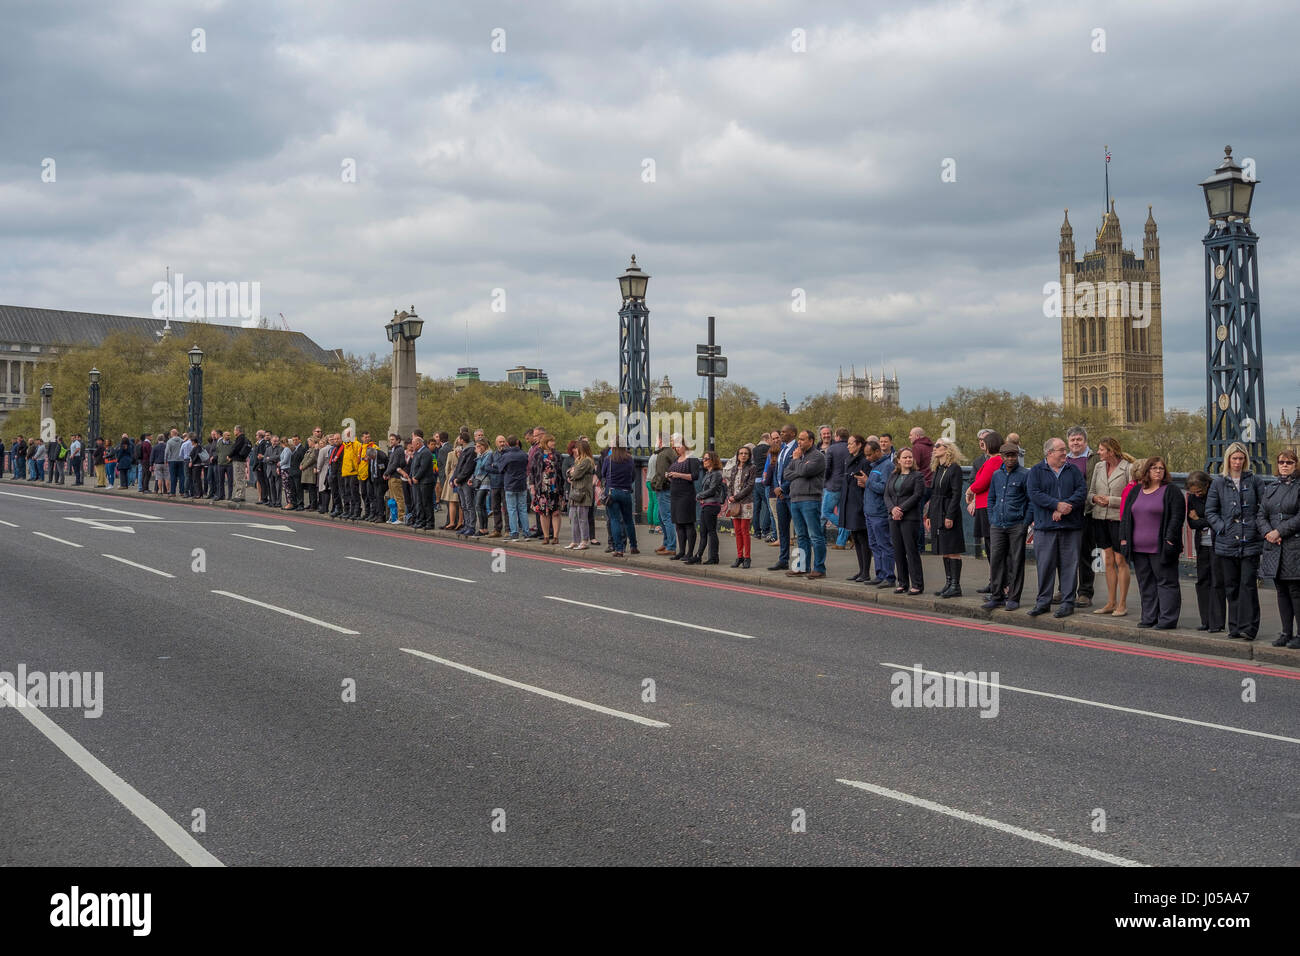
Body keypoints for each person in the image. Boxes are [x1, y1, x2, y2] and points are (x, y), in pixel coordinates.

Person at [1206, 442, 1266, 641]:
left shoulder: (1255, 481)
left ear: (1245, 460)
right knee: (1230, 585)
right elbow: (1210, 512)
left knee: (1248, 584)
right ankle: (1234, 626)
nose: (1238, 462)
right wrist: (1223, 527)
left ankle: (1249, 628)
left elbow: (1263, 509)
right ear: (1228, 460)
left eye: (1241, 459)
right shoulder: (1218, 482)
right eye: (1234, 458)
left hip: (1250, 541)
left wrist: (1256, 528)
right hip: (1227, 541)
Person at [1118, 455, 1185, 629]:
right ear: (1146, 471)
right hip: (1138, 547)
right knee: (1145, 583)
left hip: (1162, 548)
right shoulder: (1136, 491)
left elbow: (1176, 518)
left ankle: (1167, 619)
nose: (1158, 471)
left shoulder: (1171, 491)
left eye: (1161, 468)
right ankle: (1149, 617)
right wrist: (1124, 539)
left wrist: (1170, 540)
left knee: (1166, 583)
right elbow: (1126, 517)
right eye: (1154, 468)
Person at [1026, 437, 1087, 618]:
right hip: (1045, 527)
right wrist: (1055, 505)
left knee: (1069, 566)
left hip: (1071, 526)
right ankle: (1043, 602)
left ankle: (1068, 603)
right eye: (1061, 450)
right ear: (1049, 453)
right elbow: (1034, 494)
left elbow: (1081, 491)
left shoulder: (1073, 470)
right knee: (1045, 566)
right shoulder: (1036, 471)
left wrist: (1064, 505)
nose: (1064, 453)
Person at [1257, 448, 1300, 648]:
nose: (1285, 465)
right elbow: (1261, 515)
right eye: (1282, 462)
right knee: (1281, 591)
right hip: (1274, 547)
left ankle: (1299, 635)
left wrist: (1279, 531)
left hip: (1294, 545)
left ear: (1296, 465)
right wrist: (1268, 532)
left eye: (1289, 462)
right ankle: (1285, 632)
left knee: (1295, 591)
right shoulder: (1271, 488)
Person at [1087, 437, 1133, 617]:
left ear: (1110, 451)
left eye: (1101, 450)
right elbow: (1090, 492)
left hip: (1118, 519)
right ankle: (1110, 602)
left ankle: (1122, 604)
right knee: (1107, 561)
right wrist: (1094, 499)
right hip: (1099, 517)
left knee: (1121, 561)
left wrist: (1111, 501)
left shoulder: (1127, 468)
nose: (1098, 452)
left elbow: (1132, 497)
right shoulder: (1098, 467)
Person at [983, 441, 1030, 610]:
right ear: (1001, 457)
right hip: (997, 524)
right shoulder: (997, 475)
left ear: (1017, 456)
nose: (1010, 459)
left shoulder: (1025, 475)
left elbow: (1030, 501)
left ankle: (1013, 598)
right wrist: (992, 517)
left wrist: (1025, 522)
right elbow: (991, 498)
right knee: (996, 561)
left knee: (1016, 561)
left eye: (1013, 455)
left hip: (1016, 524)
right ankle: (997, 596)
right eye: (1007, 456)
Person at [964, 431, 1005, 594]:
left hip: (986, 506)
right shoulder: (993, 460)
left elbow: (982, 482)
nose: (982, 444)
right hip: (984, 505)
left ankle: (998, 584)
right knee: (989, 546)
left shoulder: (994, 461)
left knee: (992, 547)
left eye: (984, 442)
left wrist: (969, 490)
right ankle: (994, 582)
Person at [1185, 471, 1224, 633]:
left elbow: (1218, 520)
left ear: (1207, 484)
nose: (1197, 494)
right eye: (1194, 492)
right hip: (1202, 545)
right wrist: (1199, 521)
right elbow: (1190, 522)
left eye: (1199, 491)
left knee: (1217, 582)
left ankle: (1217, 622)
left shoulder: (1217, 494)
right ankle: (1206, 620)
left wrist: (1198, 519)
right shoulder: (1193, 498)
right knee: (1203, 581)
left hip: (1217, 544)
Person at [1065, 426, 1099, 608]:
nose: (1076, 443)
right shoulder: (1063, 458)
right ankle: (1065, 589)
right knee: (1065, 554)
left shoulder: (1094, 459)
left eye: (1079, 439)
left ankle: (1085, 592)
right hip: (1066, 512)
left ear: (1085, 441)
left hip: (1086, 512)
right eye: (1072, 440)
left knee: (1086, 554)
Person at [927, 438, 967, 598]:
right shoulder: (938, 468)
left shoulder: (954, 469)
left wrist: (950, 515)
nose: (934, 448)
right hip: (937, 511)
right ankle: (948, 582)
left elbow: (956, 494)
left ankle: (956, 586)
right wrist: (929, 515)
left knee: (952, 548)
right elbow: (933, 493)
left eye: (937, 446)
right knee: (944, 548)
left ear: (947, 449)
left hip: (949, 512)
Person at [885, 447, 925, 594]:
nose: (908, 460)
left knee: (911, 550)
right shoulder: (893, 475)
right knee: (898, 551)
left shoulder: (917, 476)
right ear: (898, 460)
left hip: (910, 518)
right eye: (905, 457)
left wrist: (900, 509)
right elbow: (886, 495)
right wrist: (892, 509)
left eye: (910, 457)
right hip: (893, 518)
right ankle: (902, 582)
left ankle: (917, 584)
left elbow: (917, 495)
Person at [864, 440, 895, 587]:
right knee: (874, 545)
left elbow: (885, 489)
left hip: (880, 513)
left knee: (884, 545)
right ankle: (880, 574)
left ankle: (889, 576)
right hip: (870, 512)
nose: (867, 458)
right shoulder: (875, 466)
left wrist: (867, 482)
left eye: (869, 455)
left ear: (877, 452)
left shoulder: (887, 466)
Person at [768, 424, 798, 571]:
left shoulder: (797, 449)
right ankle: (783, 559)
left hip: (791, 494)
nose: (781, 434)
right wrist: (776, 488)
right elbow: (776, 470)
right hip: (780, 495)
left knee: (799, 528)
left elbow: (795, 471)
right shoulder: (782, 449)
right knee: (783, 528)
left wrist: (783, 488)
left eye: (784, 432)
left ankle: (800, 562)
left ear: (792, 433)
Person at [840, 435, 870, 582]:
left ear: (859, 445)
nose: (848, 446)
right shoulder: (848, 460)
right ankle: (861, 570)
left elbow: (865, 484)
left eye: (851, 443)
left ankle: (866, 572)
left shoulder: (864, 461)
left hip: (859, 503)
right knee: (856, 538)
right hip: (849, 501)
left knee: (863, 538)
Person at [666, 439, 702, 561]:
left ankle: (690, 552)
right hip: (675, 493)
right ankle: (681, 551)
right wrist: (670, 476)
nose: (677, 449)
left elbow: (695, 476)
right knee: (678, 524)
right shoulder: (677, 459)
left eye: (679, 446)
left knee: (687, 523)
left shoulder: (692, 458)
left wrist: (678, 475)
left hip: (686, 494)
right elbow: (674, 474)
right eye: (675, 447)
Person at [688, 451, 725, 565]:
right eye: (703, 459)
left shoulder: (717, 473)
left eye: (706, 459)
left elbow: (713, 489)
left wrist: (699, 495)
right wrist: (702, 497)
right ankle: (698, 556)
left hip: (712, 505)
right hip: (706, 504)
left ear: (713, 460)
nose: (703, 461)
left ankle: (714, 557)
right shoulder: (708, 473)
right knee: (703, 532)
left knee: (711, 531)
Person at [603, 441, 638, 556]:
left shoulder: (608, 459)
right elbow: (633, 475)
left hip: (612, 492)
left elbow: (603, 474)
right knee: (628, 521)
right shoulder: (629, 459)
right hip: (626, 492)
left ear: (613, 446)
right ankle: (633, 546)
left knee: (615, 520)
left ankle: (619, 549)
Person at [822, 427, 851, 549]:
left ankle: (845, 527)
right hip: (848, 484)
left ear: (837, 436)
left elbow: (827, 468)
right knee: (843, 512)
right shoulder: (851, 448)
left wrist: (824, 481)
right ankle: (841, 542)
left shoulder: (832, 449)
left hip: (833, 485)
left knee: (826, 511)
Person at [565, 440, 596, 550]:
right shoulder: (578, 460)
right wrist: (571, 472)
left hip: (583, 493)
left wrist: (572, 472)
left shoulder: (587, 461)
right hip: (575, 493)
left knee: (582, 518)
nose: (575, 450)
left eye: (577, 448)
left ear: (581, 449)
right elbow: (568, 473)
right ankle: (575, 540)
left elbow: (576, 474)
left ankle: (584, 541)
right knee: (573, 517)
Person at [497, 435, 530, 539]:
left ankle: (514, 532)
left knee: (511, 510)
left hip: (510, 484)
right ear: (517, 442)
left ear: (507, 443)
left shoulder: (506, 456)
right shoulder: (524, 454)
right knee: (523, 509)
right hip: (521, 483)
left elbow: (500, 469)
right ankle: (526, 532)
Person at [649, 438, 677, 556]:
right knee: (662, 517)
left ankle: (670, 546)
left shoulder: (663, 454)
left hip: (664, 489)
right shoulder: (671, 452)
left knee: (666, 518)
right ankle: (666, 543)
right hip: (670, 487)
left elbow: (660, 474)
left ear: (661, 441)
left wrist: (656, 486)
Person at [408, 432, 436, 530]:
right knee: (418, 502)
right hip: (418, 482)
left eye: (413, 444)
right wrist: (411, 477)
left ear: (418, 444)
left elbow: (423, 467)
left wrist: (416, 477)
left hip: (426, 482)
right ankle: (421, 520)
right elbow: (413, 466)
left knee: (426, 503)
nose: (412, 446)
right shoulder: (417, 452)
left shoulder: (426, 452)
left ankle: (430, 523)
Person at [441, 434, 463, 530]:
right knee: (452, 502)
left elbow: (447, 469)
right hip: (452, 478)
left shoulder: (464, 453)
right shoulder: (450, 454)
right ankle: (452, 522)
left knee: (460, 502)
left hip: (461, 477)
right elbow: (447, 469)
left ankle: (459, 522)